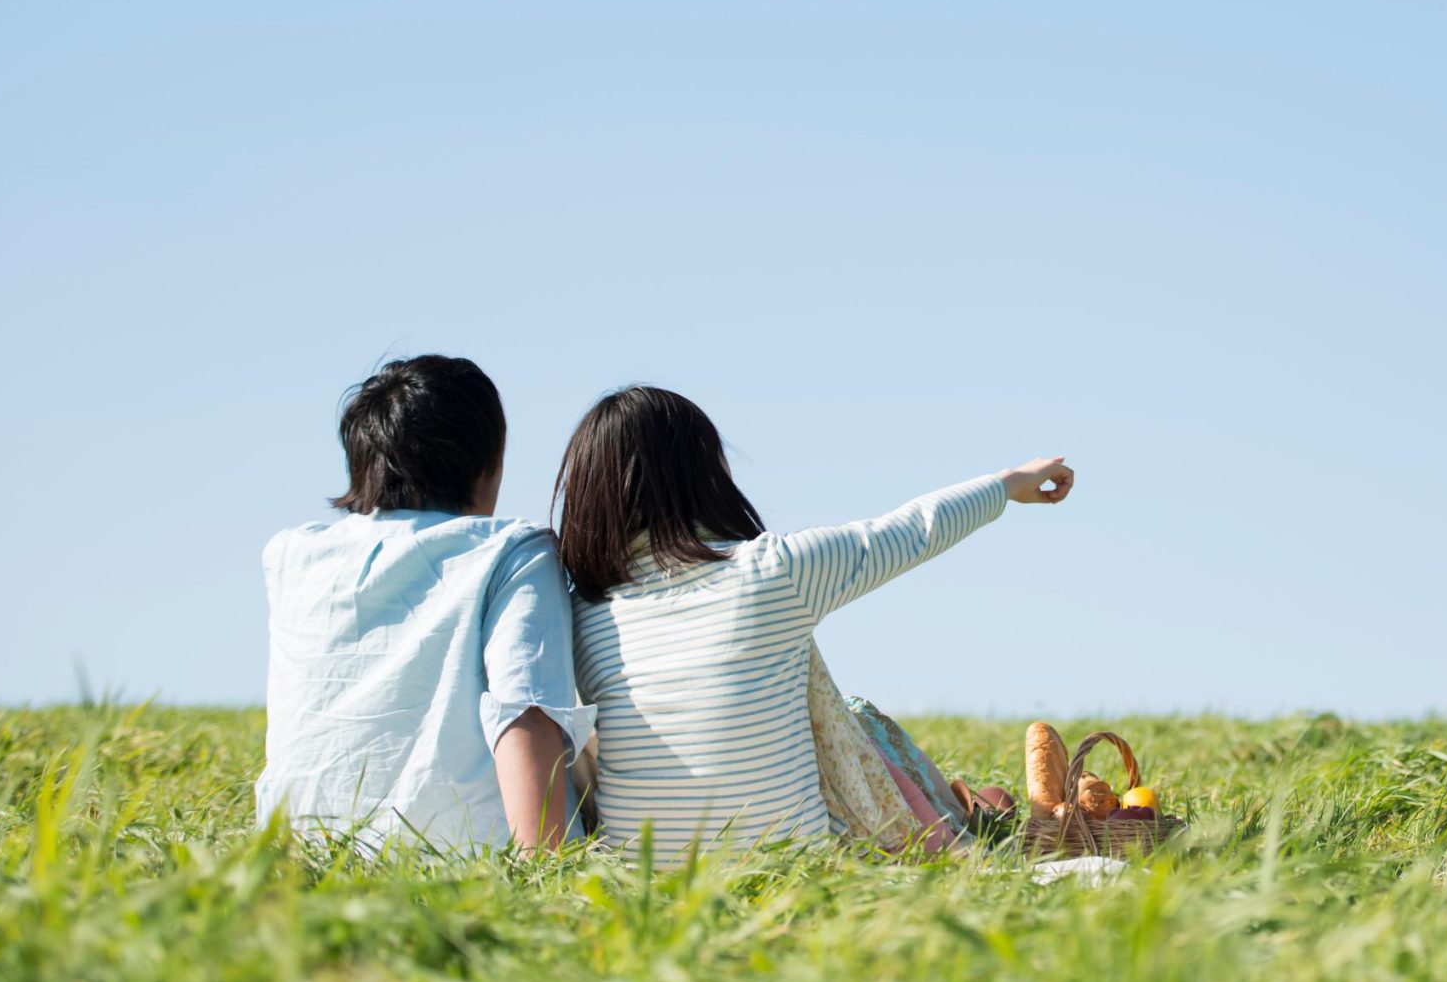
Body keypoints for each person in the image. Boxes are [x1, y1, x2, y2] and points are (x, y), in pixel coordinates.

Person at [553, 385, 1072, 848]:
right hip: (790, 860)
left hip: (642, 874)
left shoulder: (584, 612)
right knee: (858, 718)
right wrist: (1006, 483)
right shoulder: (772, 570)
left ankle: (966, 807)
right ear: (703, 475)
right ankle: (959, 814)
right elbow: (912, 530)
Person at [257, 355, 593, 850]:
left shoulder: (291, 555)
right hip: (465, 855)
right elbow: (525, 710)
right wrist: (545, 870)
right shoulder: (511, 550)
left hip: (296, 854)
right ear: (488, 463)